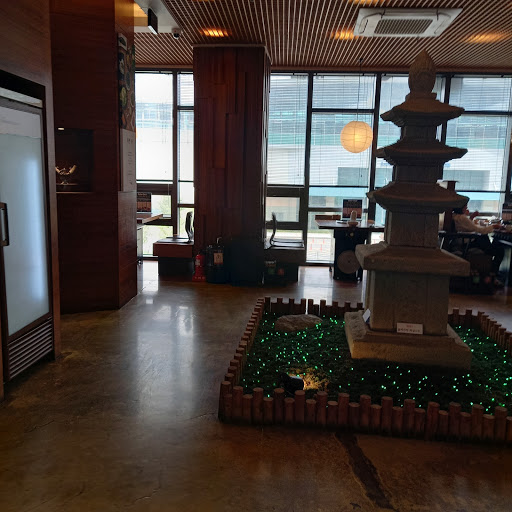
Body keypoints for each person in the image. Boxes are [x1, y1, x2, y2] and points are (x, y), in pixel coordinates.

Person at [452, 206, 505, 285]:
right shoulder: (462, 217)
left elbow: (468, 227)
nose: (466, 207)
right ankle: (491, 275)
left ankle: (491, 274)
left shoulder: (456, 216)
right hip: (470, 243)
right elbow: (479, 230)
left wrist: (471, 217)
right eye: (465, 206)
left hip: (466, 241)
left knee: (495, 243)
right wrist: (494, 226)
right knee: (500, 250)